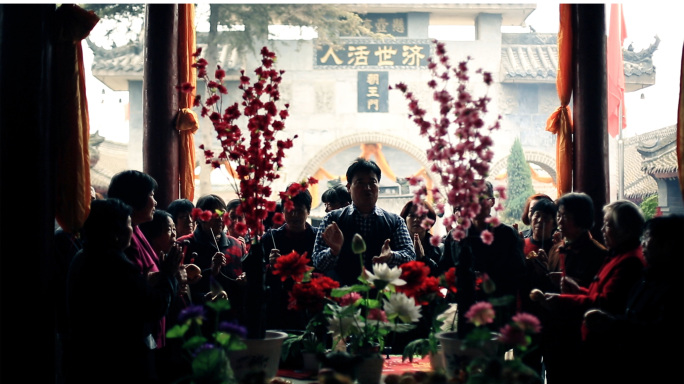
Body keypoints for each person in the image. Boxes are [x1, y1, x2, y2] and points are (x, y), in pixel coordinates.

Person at [66, 198, 181, 384]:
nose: (133, 231)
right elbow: (154, 306)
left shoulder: (83, 255)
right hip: (119, 362)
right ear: (115, 233)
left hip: (87, 358)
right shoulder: (115, 264)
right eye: (129, 224)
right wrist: (168, 274)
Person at [535, 200, 646, 384]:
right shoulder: (615, 254)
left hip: (603, 344)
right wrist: (579, 290)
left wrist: (563, 299)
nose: (603, 230)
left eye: (608, 225)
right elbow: (597, 291)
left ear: (625, 229)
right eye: (559, 216)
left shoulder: (628, 261)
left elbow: (605, 303)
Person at [582, 214, 684, 384]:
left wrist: (613, 324)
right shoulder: (647, 277)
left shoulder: (672, 285)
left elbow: (661, 334)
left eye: (647, 238)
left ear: (668, 244)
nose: (642, 243)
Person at [438, 180, 526, 337]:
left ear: (492, 202)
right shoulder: (456, 236)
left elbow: (518, 273)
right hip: (463, 309)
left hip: (496, 309)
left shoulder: (507, 235)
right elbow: (445, 270)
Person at [312, 158, 416, 286]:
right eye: (360, 182)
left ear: (378, 186)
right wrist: (333, 251)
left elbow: (410, 256)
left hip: (382, 296)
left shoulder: (395, 222)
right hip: (344, 297)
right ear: (349, 187)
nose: (367, 188)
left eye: (372, 182)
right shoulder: (332, 220)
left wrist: (391, 256)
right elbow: (317, 261)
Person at [107, 169, 172, 348]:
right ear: (136, 197)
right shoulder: (125, 241)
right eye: (151, 195)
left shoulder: (135, 230)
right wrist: (167, 276)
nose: (156, 202)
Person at [178, 194, 247, 322]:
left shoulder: (237, 245)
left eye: (222, 214)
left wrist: (243, 280)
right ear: (200, 217)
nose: (220, 219)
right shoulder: (184, 245)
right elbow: (181, 287)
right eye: (214, 215)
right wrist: (212, 270)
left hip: (231, 318)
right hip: (198, 319)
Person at [262, 185, 317, 331]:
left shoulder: (317, 237)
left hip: (311, 306)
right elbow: (259, 277)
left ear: (308, 211)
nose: (294, 215)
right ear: (283, 210)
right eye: (290, 210)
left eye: (299, 210)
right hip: (279, 307)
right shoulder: (270, 238)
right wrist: (270, 266)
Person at [546, 192, 608, 290]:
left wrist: (572, 283)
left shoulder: (599, 254)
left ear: (581, 219)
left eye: (565, 216)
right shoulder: (555, 250)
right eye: (559, 216)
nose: (560, 222)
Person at [399, 199, 442, 276]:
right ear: (404, 219)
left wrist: (423, 258)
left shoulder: (440, 248)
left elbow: (441, 275)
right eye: (412, 215)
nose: (416, 219)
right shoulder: (396, 245)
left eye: (422, 216)